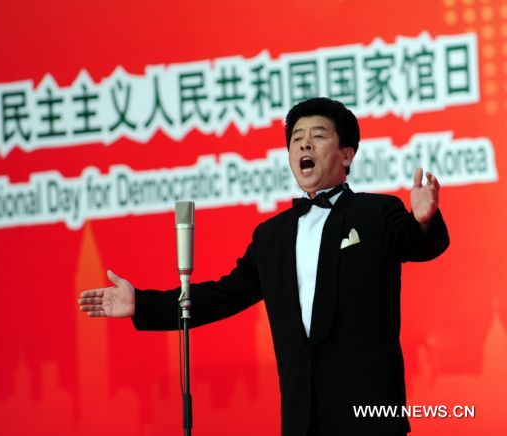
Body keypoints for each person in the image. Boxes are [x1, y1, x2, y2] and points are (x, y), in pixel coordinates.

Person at [78, 97, 449, 436]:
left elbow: (416, 244)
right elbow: (224, 295)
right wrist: (142, 304)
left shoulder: (375, 212)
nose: (304, 144)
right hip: (302, 417)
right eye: (296, 138)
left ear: (347, 154)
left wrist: (423, 220)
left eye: (317, 136)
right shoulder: (271, 236)